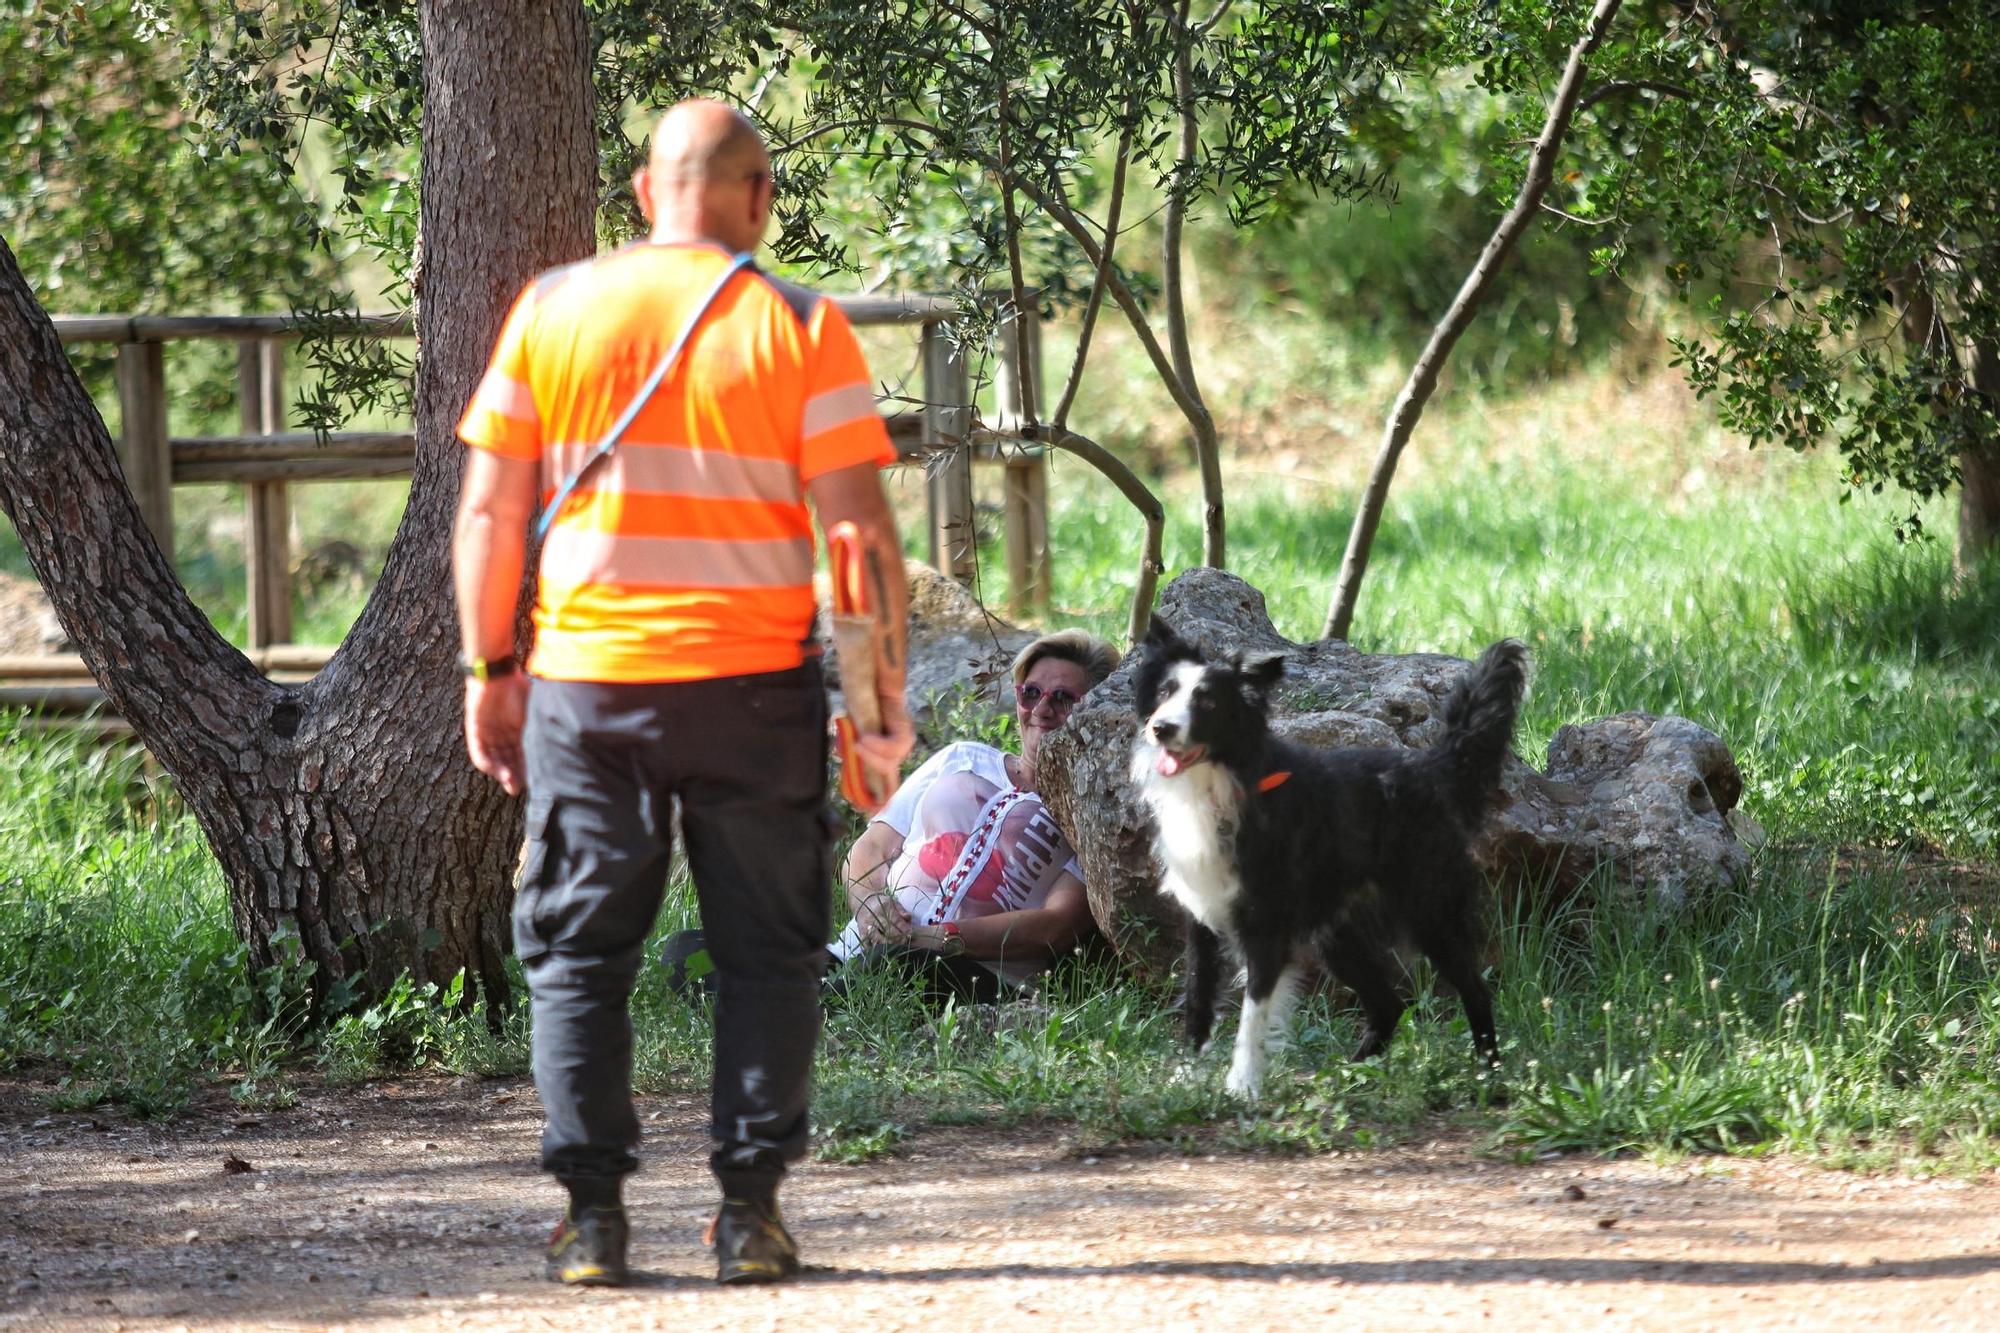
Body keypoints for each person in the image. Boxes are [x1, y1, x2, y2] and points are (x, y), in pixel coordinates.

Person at [452, 99, 913, 1290]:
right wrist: (871, 712)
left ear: (645, 193)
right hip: (751, 692)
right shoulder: (801, 326)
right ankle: (748, 1216)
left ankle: (591, 1222)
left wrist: (488, 669)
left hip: (586, 691)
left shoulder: (551, 309)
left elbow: (492, 512)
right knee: (769, 952)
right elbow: (857, 543)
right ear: (758, 200)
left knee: (577, 951)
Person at [832, 629, 1120, 1003]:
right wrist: (871, 905)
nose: (1041, 710)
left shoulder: (1091, 811)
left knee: (891, 966)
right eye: (1030, 693)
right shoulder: (961, 758)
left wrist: (928, 939)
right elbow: (869, 849)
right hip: (862, 946)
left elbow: (1056, 927)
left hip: (975, 975)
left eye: (1064, 699)